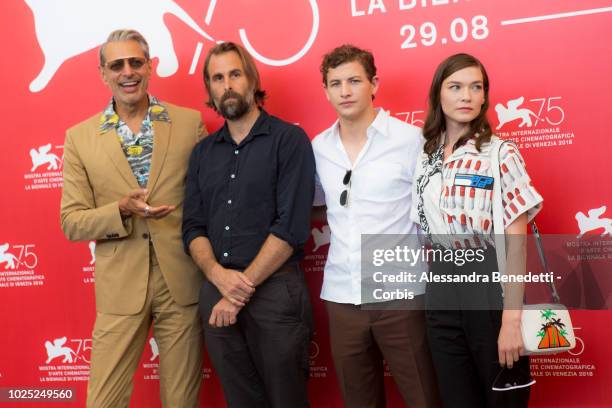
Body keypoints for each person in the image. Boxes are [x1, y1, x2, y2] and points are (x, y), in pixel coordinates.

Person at [60, 30, 206, 408]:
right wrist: (119, 210)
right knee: (104, 401)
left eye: (135, 62)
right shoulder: (79, 138)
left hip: (182, 282)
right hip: (119, 287)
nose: (128, 72)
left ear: (150, 66)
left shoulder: (190, 124)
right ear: (103, 74)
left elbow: (209, 203)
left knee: (181, 400)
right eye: (117, 65)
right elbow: (72, 222)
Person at [182, 42, 315, 408]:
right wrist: (217, 275)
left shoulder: (289, 141)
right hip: (216, 292)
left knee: (286, 398)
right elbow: (192, 227)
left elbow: (290, 228)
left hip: (275, 292)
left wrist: (237, 290)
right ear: (209, 88)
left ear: (252, 79)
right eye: (217, 78)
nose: (227, 85)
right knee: (240, 400)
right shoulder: (202, 154)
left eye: (235, 74)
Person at [312, 44, 441, 408]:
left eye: (354, 80)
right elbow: (321, 207)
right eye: (335, 83)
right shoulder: (318, 147)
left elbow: (431, 208)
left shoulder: (411, 140)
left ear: (374, 84)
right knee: (359, 402)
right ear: (326, 91)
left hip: (401, 294)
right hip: (342, 295)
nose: (345, 91)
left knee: (423, 397)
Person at [411, 53, 543, 407]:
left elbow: (516, 245)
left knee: (503, 399)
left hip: (488, 286)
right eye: (455, 87)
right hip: (439, 288)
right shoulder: (425, 157)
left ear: (485, 96)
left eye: (476, 87)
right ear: (439, 94)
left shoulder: (500, 154)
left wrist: (511, 319)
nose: (466, 96)